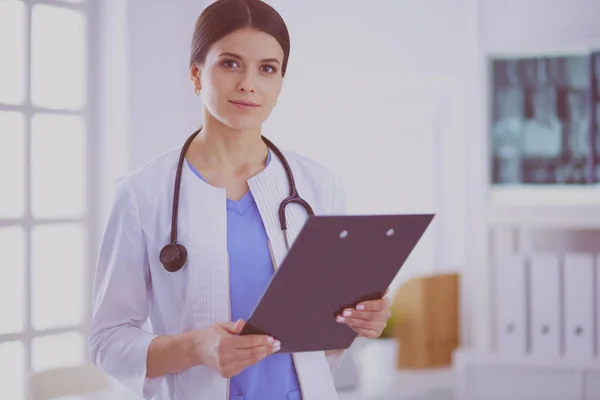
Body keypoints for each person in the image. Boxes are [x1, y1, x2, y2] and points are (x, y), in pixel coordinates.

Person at [88, 1, 391, 399]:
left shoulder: (319, 186)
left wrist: (360, 320)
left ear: (280, 83)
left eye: (267, 68)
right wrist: (196, 347)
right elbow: (107, 342)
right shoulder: (142, 193)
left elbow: (324, 339)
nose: (249, 83)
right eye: (230, 63)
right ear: (196, 75)